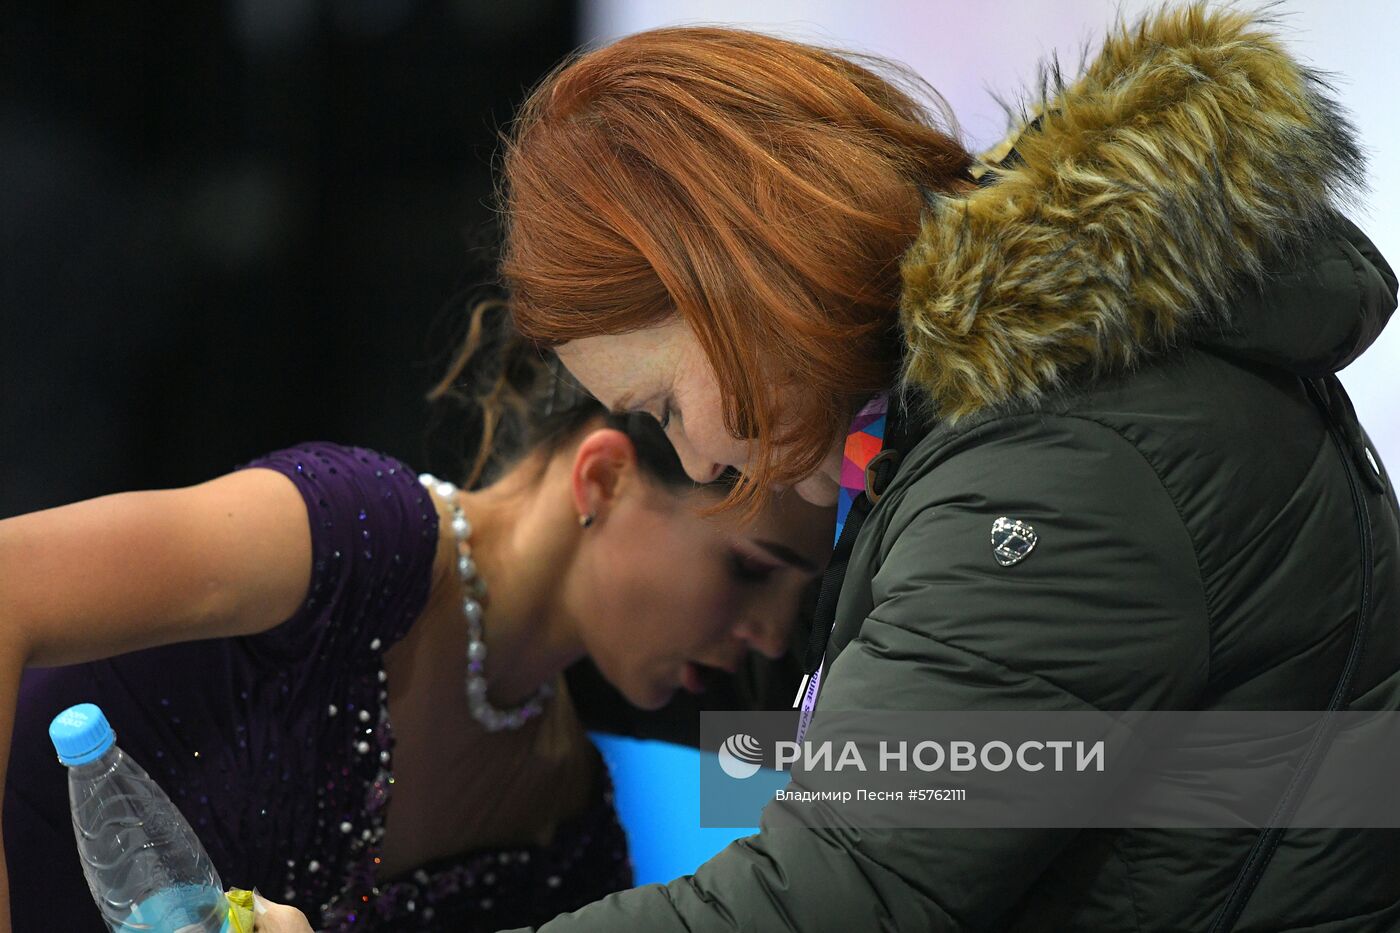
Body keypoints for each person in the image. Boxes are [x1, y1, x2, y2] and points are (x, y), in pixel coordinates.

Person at [188, 5, 1400, 930]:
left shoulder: (1057, 460)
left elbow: (845, 878)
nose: (705, 459)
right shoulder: (1042, 408)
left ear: (734, 271)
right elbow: (996, 768)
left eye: (666, 402)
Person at [0, 305, 833, 933]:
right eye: (749, 570)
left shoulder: (567, 826)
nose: (765, 630)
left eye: (795, 611)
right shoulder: (364, 536)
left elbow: (936, 776)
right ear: (604, 479)